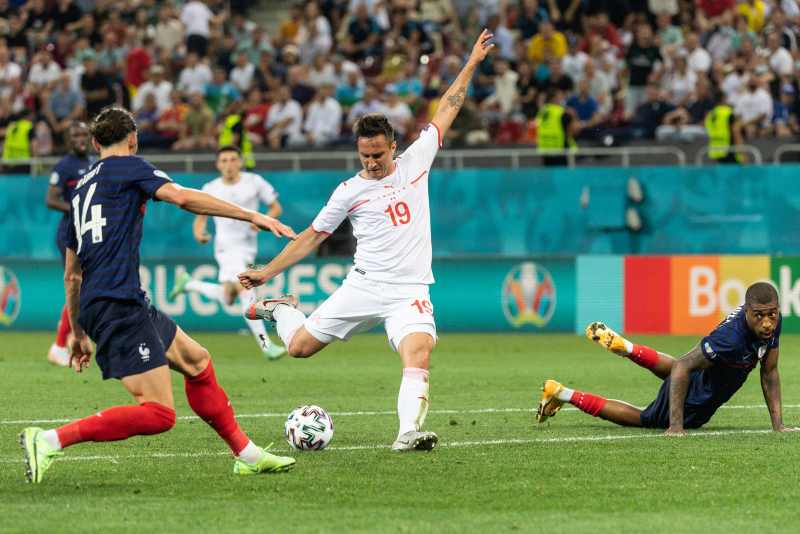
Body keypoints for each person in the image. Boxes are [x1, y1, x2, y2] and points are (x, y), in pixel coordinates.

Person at [237, 30, 496, 452]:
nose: (372, 163)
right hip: (363, 286)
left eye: (379, 154)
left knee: (419, 355)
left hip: (410, 291)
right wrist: (267, 272)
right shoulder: (348, 191)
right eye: (365, 156)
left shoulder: (416, 160)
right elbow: (309, 239)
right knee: (299, 348)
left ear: (394, 146)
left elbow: (449, 106)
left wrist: (469, 64)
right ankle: (282, 309)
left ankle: (406, 433)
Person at [18, 108, 298, 484]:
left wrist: (80, 333)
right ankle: (49, 439)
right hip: (118, 304)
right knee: (159, 413)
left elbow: (72, 274)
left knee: (197, 362)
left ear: (96, 143)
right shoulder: (131, 166)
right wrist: (252, 216)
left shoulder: (81, 189)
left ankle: (246, 454)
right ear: (133, 140)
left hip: (116, 301)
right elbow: (181, 197)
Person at [537, 282, 796, 435]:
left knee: (681, 369)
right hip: (698, 396)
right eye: (759, 316)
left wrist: (778, 426)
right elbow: (684, 365)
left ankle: (627, 348)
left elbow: (770, 372)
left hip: (703, 374)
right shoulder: (730, 338)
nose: (767, 323)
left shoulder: (773, 320)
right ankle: (562, 393)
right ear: (747, 311)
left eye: (772, 315)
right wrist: (675, 425)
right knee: (644, 418)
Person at [169, 145, 287, 360]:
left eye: (233, 159)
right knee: (245, 288)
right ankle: (266, 344)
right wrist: (199, 232)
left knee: (229, 296)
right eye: (224, 160)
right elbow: (201, 215)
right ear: (218, 164)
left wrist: (260, 223)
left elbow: (276, 208)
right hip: (226, 247)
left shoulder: (254, 182)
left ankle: (189, 284)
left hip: (247, 248)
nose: (229, 164)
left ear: (240, 162)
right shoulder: (211, 187)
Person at [44, 122, 95, 366]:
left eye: (84, 133)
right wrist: (79, 209)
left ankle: (65, 332)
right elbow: (51, 199)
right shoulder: (65, 166)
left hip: (88, 233)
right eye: (75, 135)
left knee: (83, 288)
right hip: (69, 234)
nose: (81, 138)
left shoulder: (93, 163)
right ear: (68, 140)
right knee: (77, 285)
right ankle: (59, 344)